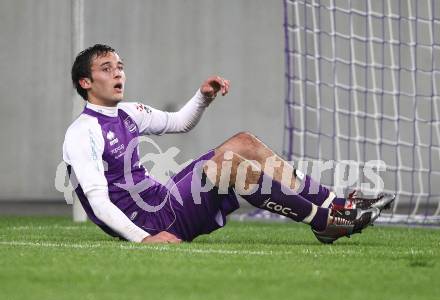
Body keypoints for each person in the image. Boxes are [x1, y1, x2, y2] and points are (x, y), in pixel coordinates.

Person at [63, 44, 394, 245]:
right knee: (231, 167)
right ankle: (323, 222)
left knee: (244, 143)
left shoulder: (127, 112)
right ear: (86, 82)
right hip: (152, 220)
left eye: (119, 66)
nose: (118, 73)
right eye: (106, 69)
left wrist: (203, 98)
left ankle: (336, 206)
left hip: (164, 199)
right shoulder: (83, 132)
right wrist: (143, 238)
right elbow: (99, 203)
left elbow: (180, 122)